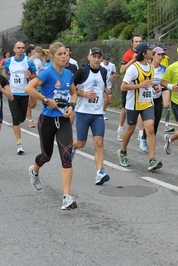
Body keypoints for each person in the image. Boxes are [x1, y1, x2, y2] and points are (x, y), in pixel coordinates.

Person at [24, 41, 78, 210]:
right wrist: (46, 100)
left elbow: (74, 93)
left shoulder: (68, 73)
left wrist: (71, 106)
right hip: (47, 120)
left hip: (63, 120)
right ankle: (34, 170)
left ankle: (66, 197)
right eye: (61, 54)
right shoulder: (47, 73)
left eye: (66, 54)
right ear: (53, 57)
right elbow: (29, 88)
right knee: (46, 156)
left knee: (67, 157)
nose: (64, 56)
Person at [116, 43, 163, 171]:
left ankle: (152, 160)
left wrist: (155, 86)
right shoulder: (133, 68)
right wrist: (140, 86)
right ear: (144, 53)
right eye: (149, 50)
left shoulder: (151, 68)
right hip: (133, 104)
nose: (152, 51)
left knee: (150, 130)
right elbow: (123, 86)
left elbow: (149, 82)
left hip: (148, 103)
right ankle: (123, 152)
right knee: (130, 129)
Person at [72, 47, 111, 185]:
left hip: (97, 113)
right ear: (88, 57)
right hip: (82, 112)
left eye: (99, 57)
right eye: (94, 56)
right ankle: (72, 147)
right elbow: (71, 88)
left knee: (99, 142)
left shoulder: (104, 71)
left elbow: (103, 86)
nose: (97, 59)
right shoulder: (82, 71)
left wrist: (107, 92)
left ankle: (100, 173)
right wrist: (84, 94)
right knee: (81, 143)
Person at [3, 41, 37, 154]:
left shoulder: (28, 61)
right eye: (18, 48)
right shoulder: (9, 61)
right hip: (12, 93)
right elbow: (6, 73)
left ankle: (21, 121)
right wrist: (5, 85)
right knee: (15, 117)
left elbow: (34, 75)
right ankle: (19, 143)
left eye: (22, 48)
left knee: (22, 118)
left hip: (24, 93)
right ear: (14, 49)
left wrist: (29, 75)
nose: (21, 49)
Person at [139, 46, 167, 153]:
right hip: (146, 99)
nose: (160, 57)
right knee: (149, 124)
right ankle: (144, 139)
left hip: (157, 98)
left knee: (156, 123)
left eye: (162, 55)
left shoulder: (164, 69)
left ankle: (147, 138)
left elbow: (165, 82)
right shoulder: (147, 67)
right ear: (153, 55)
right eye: (158, 55)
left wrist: (162, 87)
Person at [117, 34, 143, 142]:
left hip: (142, 86)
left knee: (142, 108)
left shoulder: (145, 53)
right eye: (136, 42)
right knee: (125, 108)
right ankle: (121, 128)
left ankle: (141, 133)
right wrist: (132, 60)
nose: (138, 43)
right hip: (129, 85)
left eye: (140, 41)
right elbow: (122, 70)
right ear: (131, 43)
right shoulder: (128, 54)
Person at [25, 45, 43, 128]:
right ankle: (30, 121)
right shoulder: (26, 60)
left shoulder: (38, 61)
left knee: (33, 104)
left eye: (35, 51)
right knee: (28, 103)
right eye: (33, 52)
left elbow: (41, 70)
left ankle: (25, 110)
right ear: (29, 53)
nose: (35, 53)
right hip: (26, 84)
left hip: (35, 84)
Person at [158, 43, 174, 133]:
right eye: (162, 50)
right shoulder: (153, 58)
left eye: (165, 50)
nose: (164, 52)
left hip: (164, 83)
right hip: (155, 84)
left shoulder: (167, 58)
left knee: (167, 104)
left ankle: (167, 124)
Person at [100, 54, 117, 120]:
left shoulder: (112, 65)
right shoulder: (100, 65)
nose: (107, 61)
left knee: (109, 101)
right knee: (105, 100)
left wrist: (112, 76)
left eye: (108, 60)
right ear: (103, 60)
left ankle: (102, 108)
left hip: (109, 85)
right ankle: (103, 113)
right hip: (102, 86)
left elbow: (115, 73)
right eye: (105, 60)